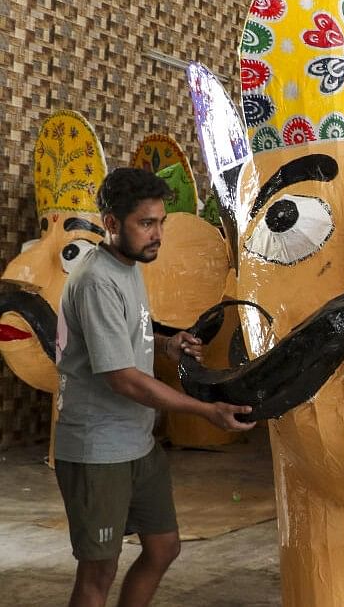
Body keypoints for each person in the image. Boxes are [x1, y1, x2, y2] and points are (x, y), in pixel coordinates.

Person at [53, 168, 255, 607]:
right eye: (146, 223)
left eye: (161, 221)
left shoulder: (128, 266)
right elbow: (121, 377)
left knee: (164, 547)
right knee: (98, 571)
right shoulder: (96, 281)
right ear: (111, 223)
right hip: (97, 449)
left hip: (136, 443)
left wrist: (166, 342)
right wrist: (206, 411)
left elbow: (126, 336)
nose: (158, 234)